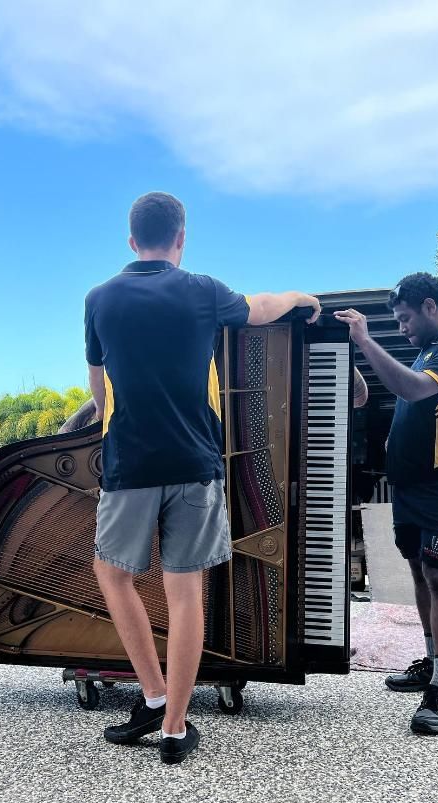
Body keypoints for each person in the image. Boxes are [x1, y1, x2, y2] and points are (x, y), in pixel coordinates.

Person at [85, 191, 321, 764]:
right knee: (184, 590)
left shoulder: (100, 298)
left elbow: (98, 383)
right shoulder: (202, 290)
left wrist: (111, 421)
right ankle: (172, 725)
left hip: (130, 463)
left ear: (131, 238)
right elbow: (263, 306)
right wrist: (301, 297)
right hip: (195, 463)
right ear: (181, 238)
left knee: (112, 575)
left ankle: (152, 692)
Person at [335, 272, 438, 736]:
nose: (402, 327)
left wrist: (364, 341)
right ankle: (432, 661)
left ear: (428, 306)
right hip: (410, 485)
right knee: (421, 571)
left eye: (404, 319)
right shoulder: (429, 348)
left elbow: (412, 388)